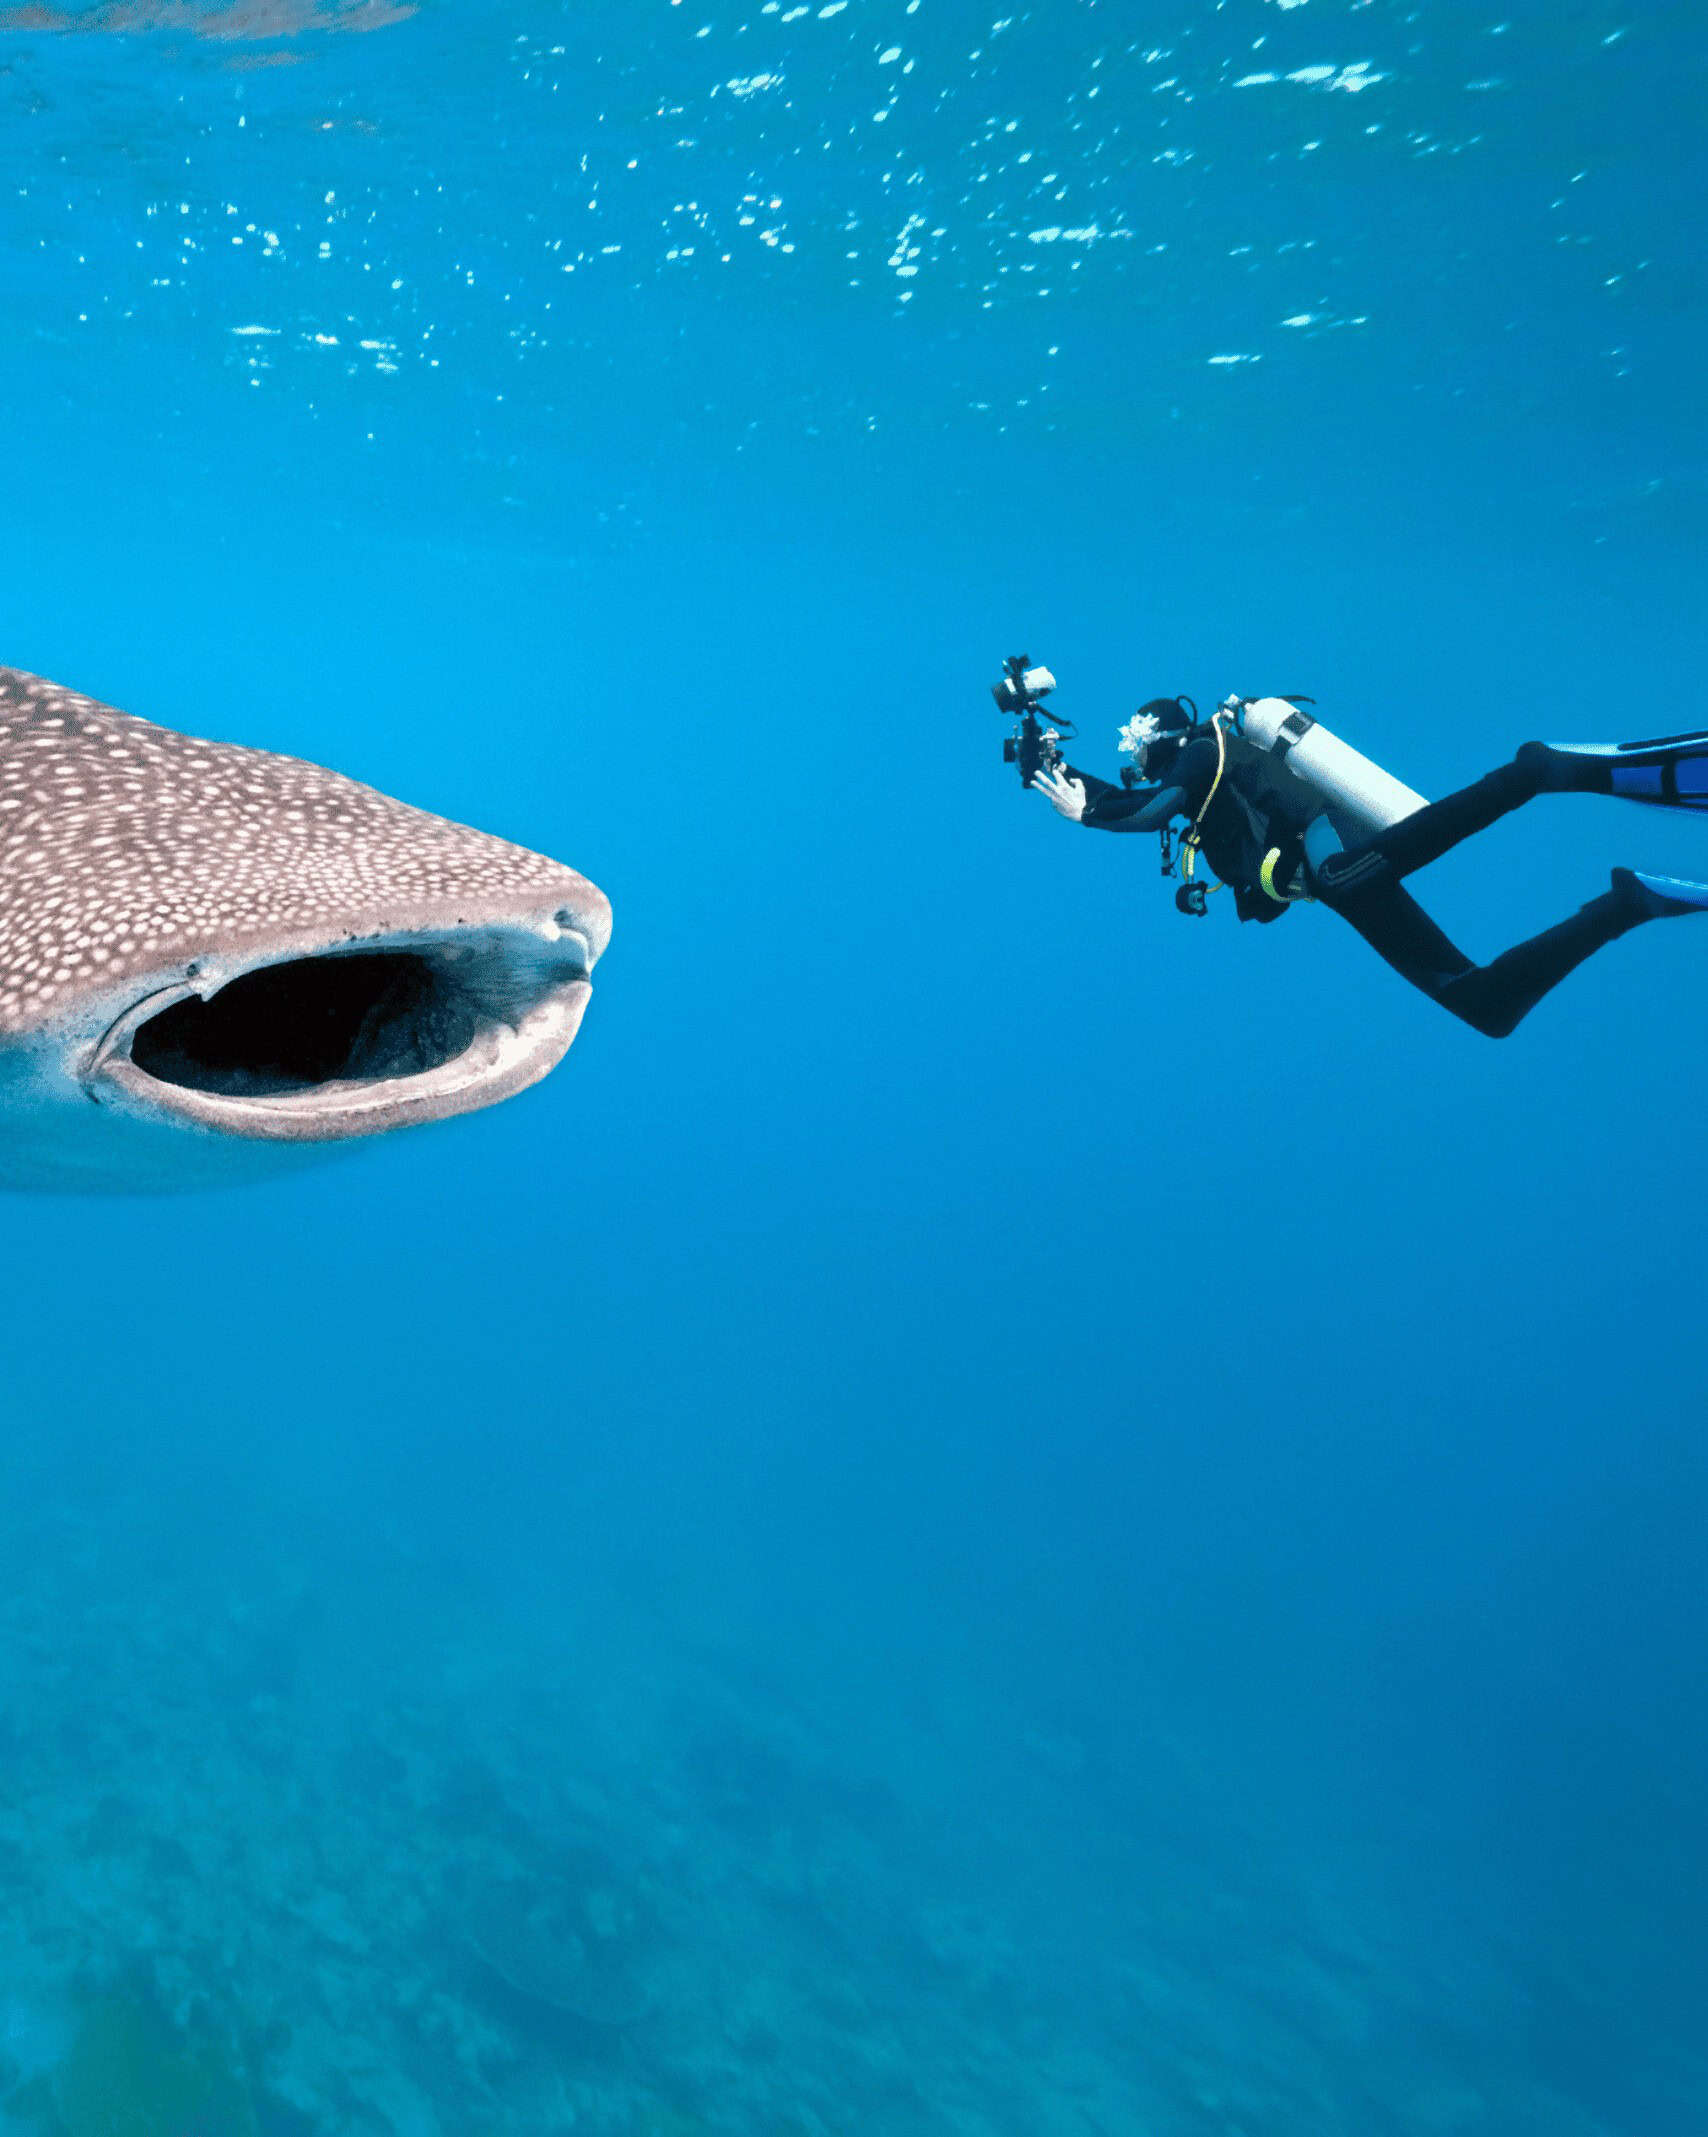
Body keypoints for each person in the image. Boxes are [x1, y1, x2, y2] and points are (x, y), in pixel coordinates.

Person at [1031, 694, 1708, 1037]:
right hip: (1334, 880)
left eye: (1138, 738)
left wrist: (1085, 814)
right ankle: (1626, 904)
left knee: (1350, 874)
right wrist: (1048, 767)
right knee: (1485, 1007)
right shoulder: (1193, 786)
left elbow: (1143, 810)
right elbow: (1131, 800)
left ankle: (1533, 772)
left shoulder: (1205, 754)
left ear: (1168, 736)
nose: (1132, 750)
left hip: (1334, 855)